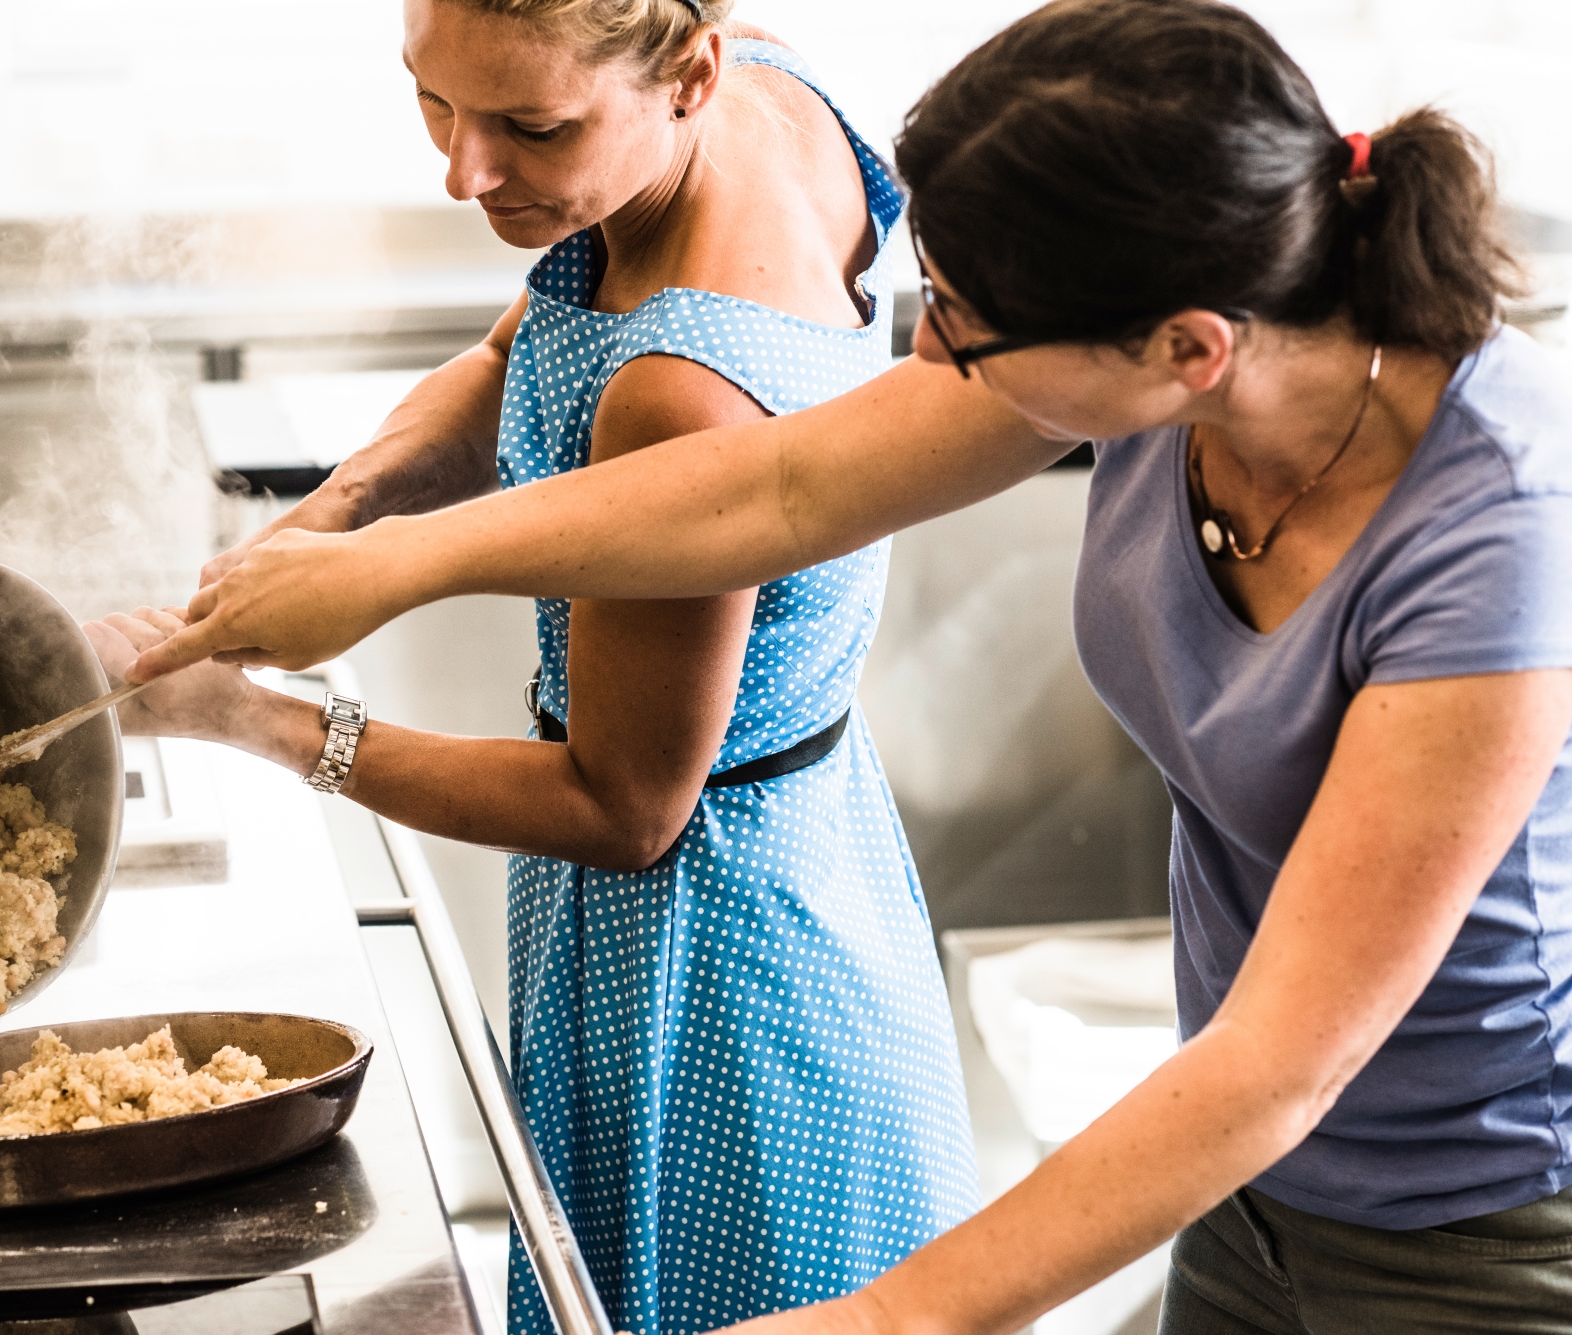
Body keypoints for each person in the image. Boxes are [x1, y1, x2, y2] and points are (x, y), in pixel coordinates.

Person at [131, 0, 1572, 1330]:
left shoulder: (1498, 538)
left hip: (1479, 1231)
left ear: (1184, 349)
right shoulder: (1178, 326)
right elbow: (779, 487)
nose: (925, 350)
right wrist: (388, 557)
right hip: (1248, 1189)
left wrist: (880, 1319)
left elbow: (1277, 1062)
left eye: (958, 324)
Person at [87, 3, 980, 1333]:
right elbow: (518, 350)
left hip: (709, 977)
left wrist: (261, 725)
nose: (463, 170)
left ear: (687, 72)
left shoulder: (684, 388)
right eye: (433, 101)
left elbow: (621, 808)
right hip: (813, 868)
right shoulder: (749, 100)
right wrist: (335, 515)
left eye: (528, 128)